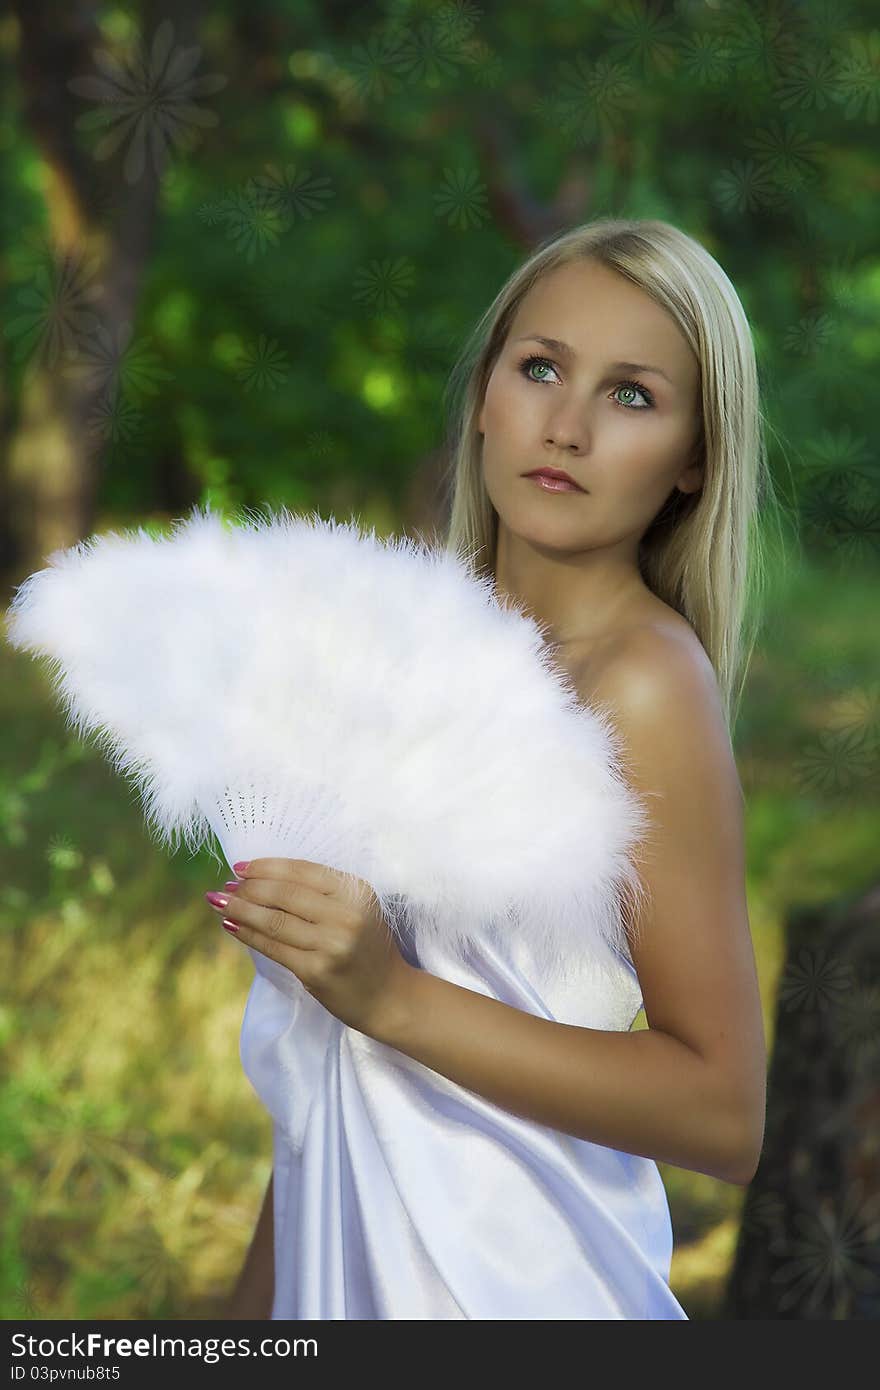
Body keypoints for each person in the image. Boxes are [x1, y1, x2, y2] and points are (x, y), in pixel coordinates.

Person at [223, 216, 771, 1319]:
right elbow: (331, 1080)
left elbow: (723, 1111)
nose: (564, 426)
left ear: (693, 460)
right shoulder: (399, 660)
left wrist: (394, 995)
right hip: (345, 1267)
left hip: (517, 1286)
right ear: (484, 396)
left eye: (631, 396)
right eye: (540, 368)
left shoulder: (643, 684)